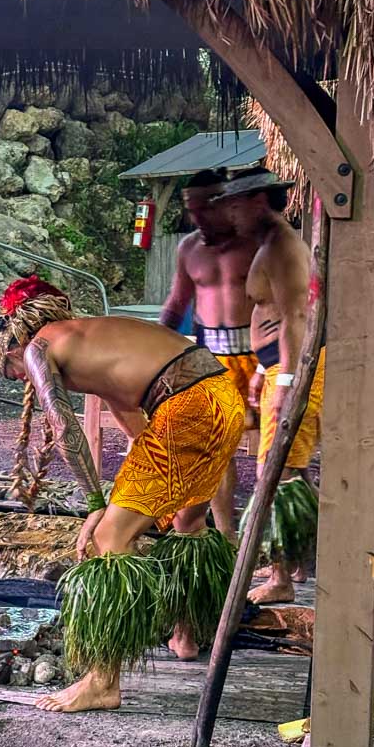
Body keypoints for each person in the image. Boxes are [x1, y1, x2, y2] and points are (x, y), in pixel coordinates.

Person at [0, 277, 245, 711]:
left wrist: (96, 506)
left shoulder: (37, 348)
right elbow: (131, 411)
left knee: (108, 538)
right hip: (221, 396)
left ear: (12, 349)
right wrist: (138, 488)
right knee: (188, 521)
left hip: (187, 409)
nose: (20, 378)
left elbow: (65, 430)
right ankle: (187, 633)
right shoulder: (92, 335)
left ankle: (103, 682)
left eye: (11, 373)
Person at [219, 166, 324, 605]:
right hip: (280, 365)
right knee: (293, 470)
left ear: (258, 202)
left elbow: (298, 316)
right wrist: (264, 370)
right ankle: (301, 560)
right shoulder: (272, 245)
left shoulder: (282, 246)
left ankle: (281, 578)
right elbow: (277, 316)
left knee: (274, 471)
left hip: (295, 369)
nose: (230, 215)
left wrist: (285, 381)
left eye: (235, 206)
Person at [159, 168, 259, 541]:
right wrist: (156, 349)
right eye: (192, 208)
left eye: (207, 205)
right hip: (211, 360)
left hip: (261, 356)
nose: (198, 215)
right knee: (216, 451)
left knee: (279, 454)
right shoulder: (188, 248)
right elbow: (176, 304)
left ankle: (280, 547)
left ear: (227, 203)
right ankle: (227, 535)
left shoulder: (258, 243)